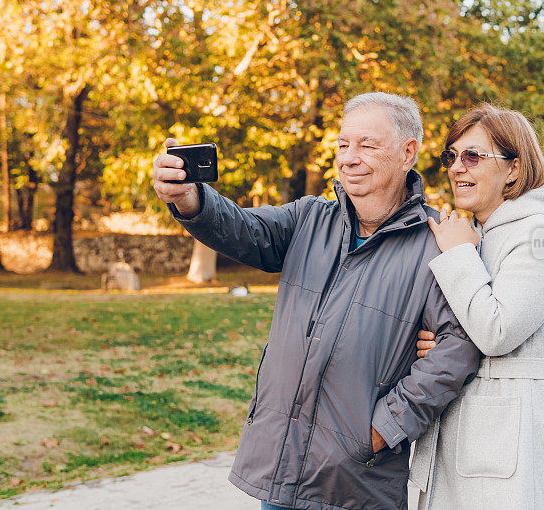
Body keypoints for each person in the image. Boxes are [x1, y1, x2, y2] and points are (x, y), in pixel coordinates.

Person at [151, 92, 481, 510]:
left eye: (367, 145)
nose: (349, 157)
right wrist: (189, 198)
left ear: (407, 153)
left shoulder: (437, 242)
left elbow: (457, 347)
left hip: (356, 480)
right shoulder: (309, 218)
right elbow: (243, 228)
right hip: (282, 468)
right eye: (343, 144)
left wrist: (383, 427)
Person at [409, 103, 544, 509]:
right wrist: (444, 344)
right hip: (465, 430)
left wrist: (459, 256)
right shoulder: (476, 233)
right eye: (451, 156)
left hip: (513, 436)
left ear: (513, 168)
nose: (458, 167)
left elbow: (497, 331)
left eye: (473, 156)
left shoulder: (542, 236)